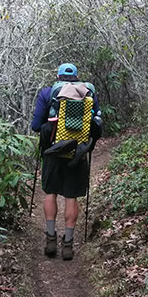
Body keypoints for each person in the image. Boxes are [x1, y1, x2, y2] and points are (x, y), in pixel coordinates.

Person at [31, 63, 101, 261]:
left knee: (50, 193)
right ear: (77, 77)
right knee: (72, 197)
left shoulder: (47, 93)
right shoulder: (88, 93)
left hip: (53, 153)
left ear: (58, 76)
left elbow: (36, 126)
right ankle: (68, 245)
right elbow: (96, 124)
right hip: (77, 154)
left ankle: (51, 240)